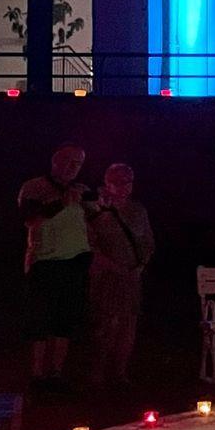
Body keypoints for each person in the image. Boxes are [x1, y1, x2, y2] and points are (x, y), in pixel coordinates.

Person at [18, 144, 92, 394]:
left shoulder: (80, 190)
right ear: (55, 161)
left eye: (78, 163)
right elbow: (30, 219)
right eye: (69, 161)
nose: (73, 167)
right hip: (45, 262)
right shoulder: (35, 187)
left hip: (75, 262)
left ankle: (56, 374)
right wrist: (61, 203)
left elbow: (92, 220)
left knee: (65, 321)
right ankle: (37, 375)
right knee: (39, 321)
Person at [85, 162, 154, 387]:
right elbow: (90, 245)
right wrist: (112, 266)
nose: (124, 186)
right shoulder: (94, 209)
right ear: (107, 182)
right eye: (119, 182)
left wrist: (140, 265)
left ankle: (120, 373)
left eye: (128, 182)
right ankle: (97, 373)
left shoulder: (137, 210)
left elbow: (147, 242)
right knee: (105, 325)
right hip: (105, 277)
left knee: (127, 325)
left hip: (131, 277)